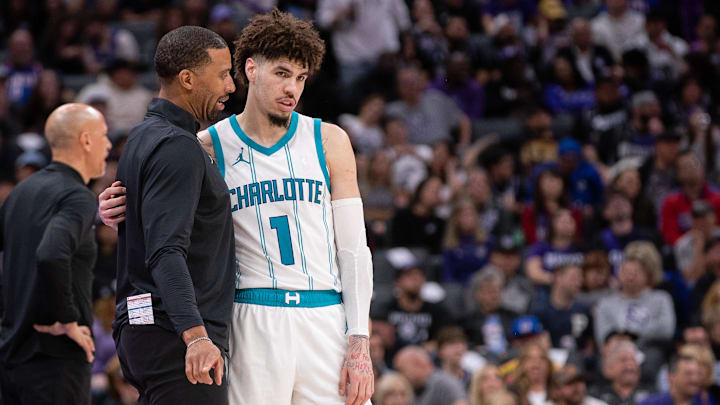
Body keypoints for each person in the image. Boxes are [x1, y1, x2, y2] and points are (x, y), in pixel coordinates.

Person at [100, 10, 374, 405]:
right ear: (250, 69)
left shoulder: (329, 140)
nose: (292, 89)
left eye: (300, 78)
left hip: (324, 314)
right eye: (282, 73)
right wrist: (111, 209)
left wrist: (359, 339)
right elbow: (165, 218)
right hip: (250, 317)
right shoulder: (205, 145)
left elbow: (353, 248)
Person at [109, 26, 237, 404]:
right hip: (175, 339)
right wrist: (196, 335)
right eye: (223, 74)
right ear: (187, 79)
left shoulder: (142, 136)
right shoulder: (178, 147)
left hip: (146, 329)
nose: (230, 86)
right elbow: (165, 250)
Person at [0, 103, 111, 404]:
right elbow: (51, 254)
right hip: (57, 360)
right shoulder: (77, 196)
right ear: (86, 140)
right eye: (104, 135)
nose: (109, 145)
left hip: (12, 355)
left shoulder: (18, 194)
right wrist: (67, 319)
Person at [638, 355, 703, 405]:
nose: (695, 379)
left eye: (698, 374)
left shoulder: (704, 402)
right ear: (671, 377)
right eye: (688, 374)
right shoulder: (651, 403)